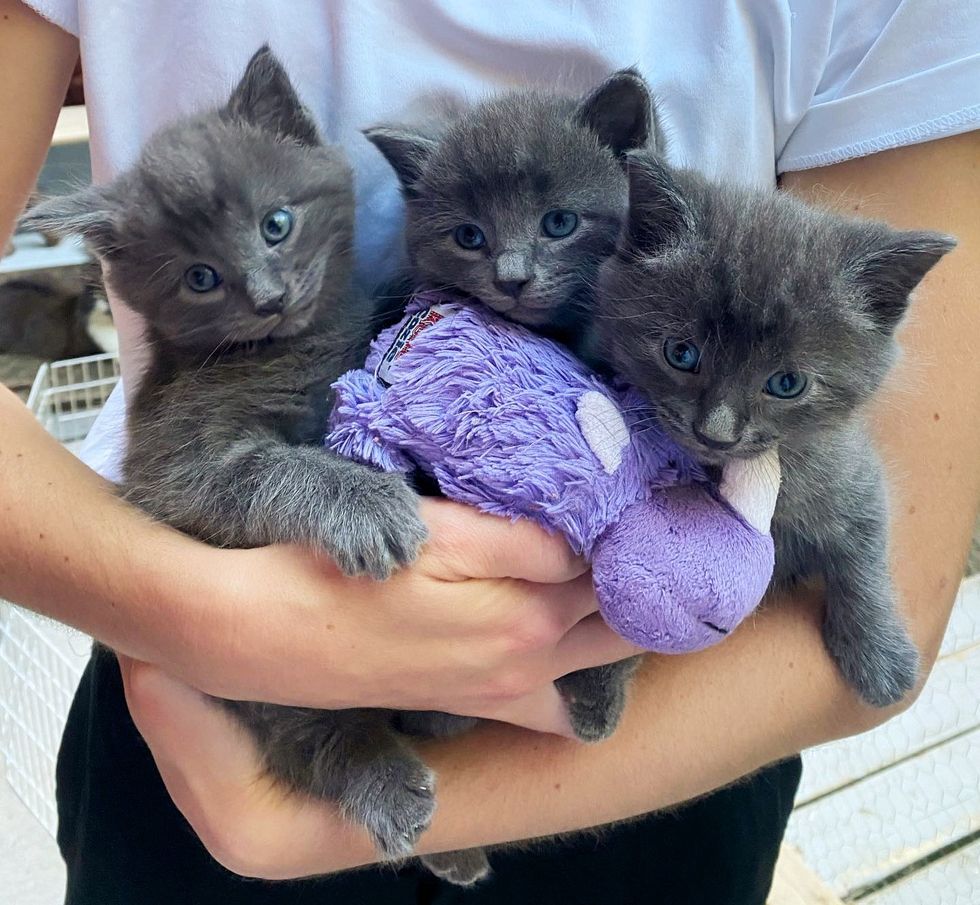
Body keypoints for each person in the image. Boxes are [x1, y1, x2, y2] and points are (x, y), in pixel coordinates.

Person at [1, 1, 977, 903]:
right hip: (200, 677)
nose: (513, 272)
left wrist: (321, 821)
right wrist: (191, 617)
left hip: (675, 712)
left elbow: (893, 586)